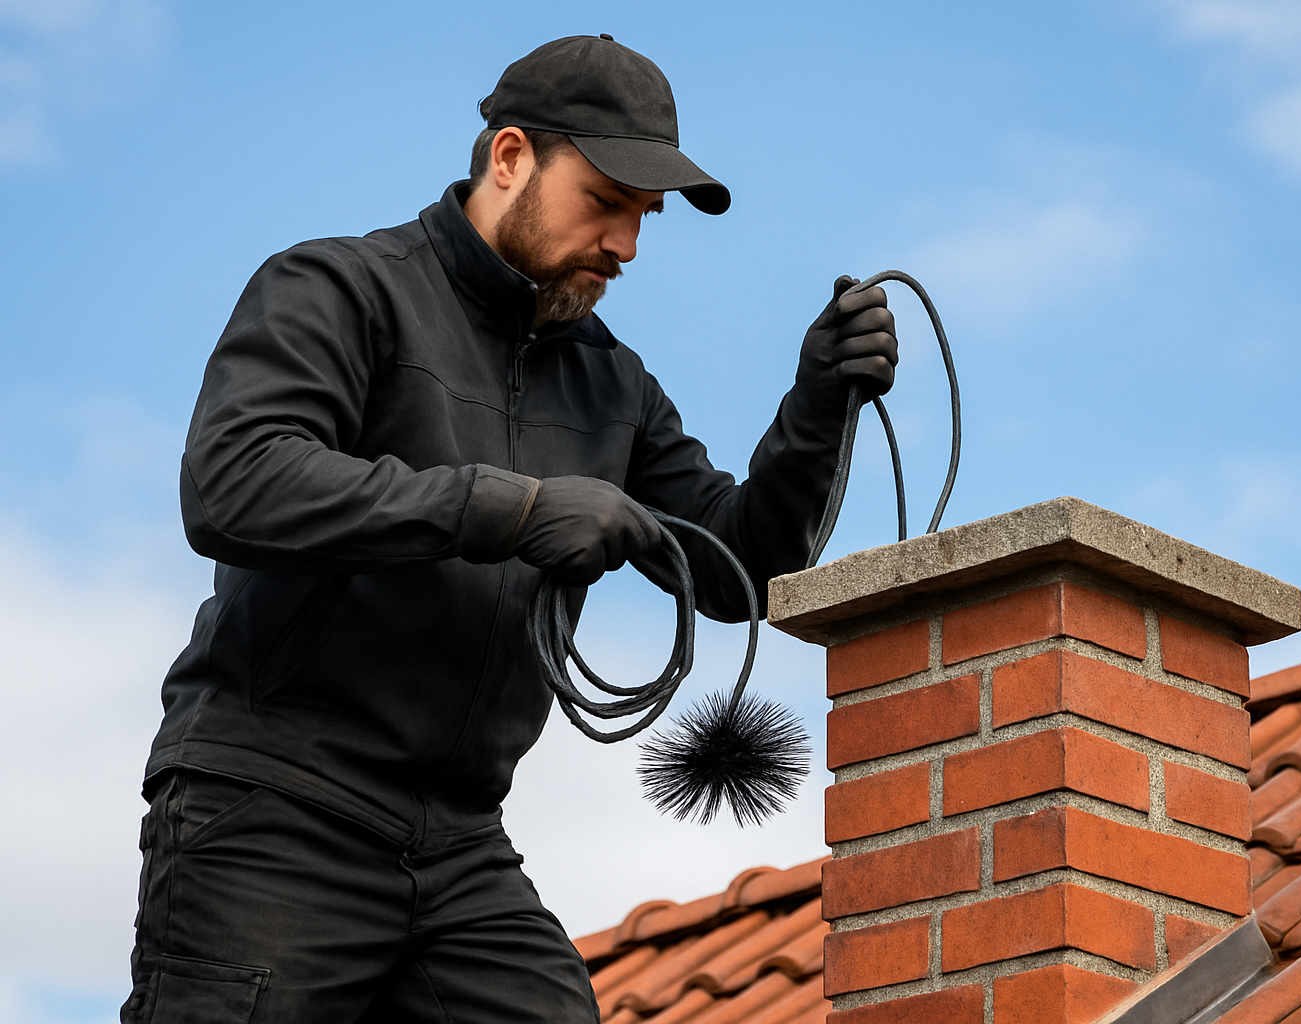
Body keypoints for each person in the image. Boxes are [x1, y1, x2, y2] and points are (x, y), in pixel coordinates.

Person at [122, 33, 897, 1024]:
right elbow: (236, 481)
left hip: (459, 843)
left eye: (644, 216)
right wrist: (516, 508)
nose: (627, 245)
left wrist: (819, 404)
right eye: (607, 202)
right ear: (511, 157)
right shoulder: (338, 288)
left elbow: (739, 562)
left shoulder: (612, 382)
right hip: (272, 809)